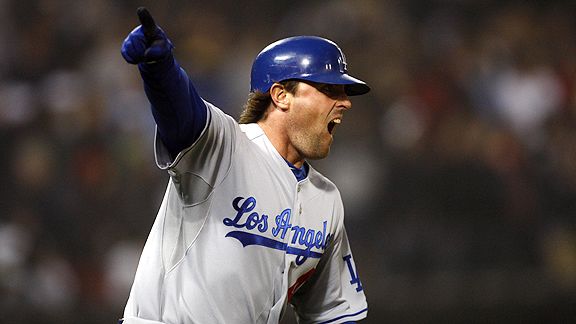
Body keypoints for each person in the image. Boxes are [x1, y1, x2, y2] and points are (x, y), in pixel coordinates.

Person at [119, 7, 370, 324]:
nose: (345, 102)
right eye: (328, 90)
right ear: (281, 96)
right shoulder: (224, 146)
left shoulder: (326, 198)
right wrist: (160, 70)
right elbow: (182, 115)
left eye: (344, 92)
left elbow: (335, 311)